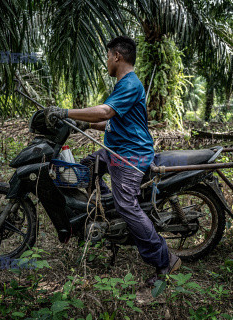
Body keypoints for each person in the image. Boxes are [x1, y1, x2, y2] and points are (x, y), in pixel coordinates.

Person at [44, 36, 181, 285]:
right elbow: (112, 122)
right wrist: (83, 122)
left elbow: (106, 111)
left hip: (131, 155)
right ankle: (106, 213)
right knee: (85, 169)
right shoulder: (123, 85)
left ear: (117, 56)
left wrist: (66, 111)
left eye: (108, 56)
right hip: (115, 151)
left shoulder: (129, 84)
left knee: (126, 204)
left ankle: (165, 260)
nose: (106, 61)